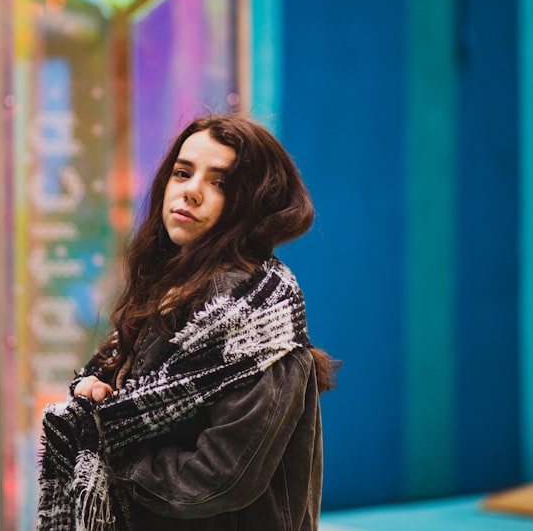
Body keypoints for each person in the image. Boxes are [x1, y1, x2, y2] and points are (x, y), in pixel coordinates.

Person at [38, 114, 339, 531]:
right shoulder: (167, 290)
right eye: (183, 172)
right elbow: (141, 401)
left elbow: (218, 478)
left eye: (220, 183)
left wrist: (110, 450)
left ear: (252, 203)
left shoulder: (258, 318)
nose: (191, 192)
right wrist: (100, 394)